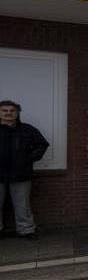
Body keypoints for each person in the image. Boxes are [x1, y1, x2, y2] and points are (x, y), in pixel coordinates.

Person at [0, 100, 50, 239]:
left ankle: (26, 230)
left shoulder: (28, 130)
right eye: (5, 110)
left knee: (23, 204)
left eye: (12, 111)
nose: (8, 113)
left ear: (17, 113)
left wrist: (27, 159)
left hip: (21, 174)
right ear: (0, 113)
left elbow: (42, 144)